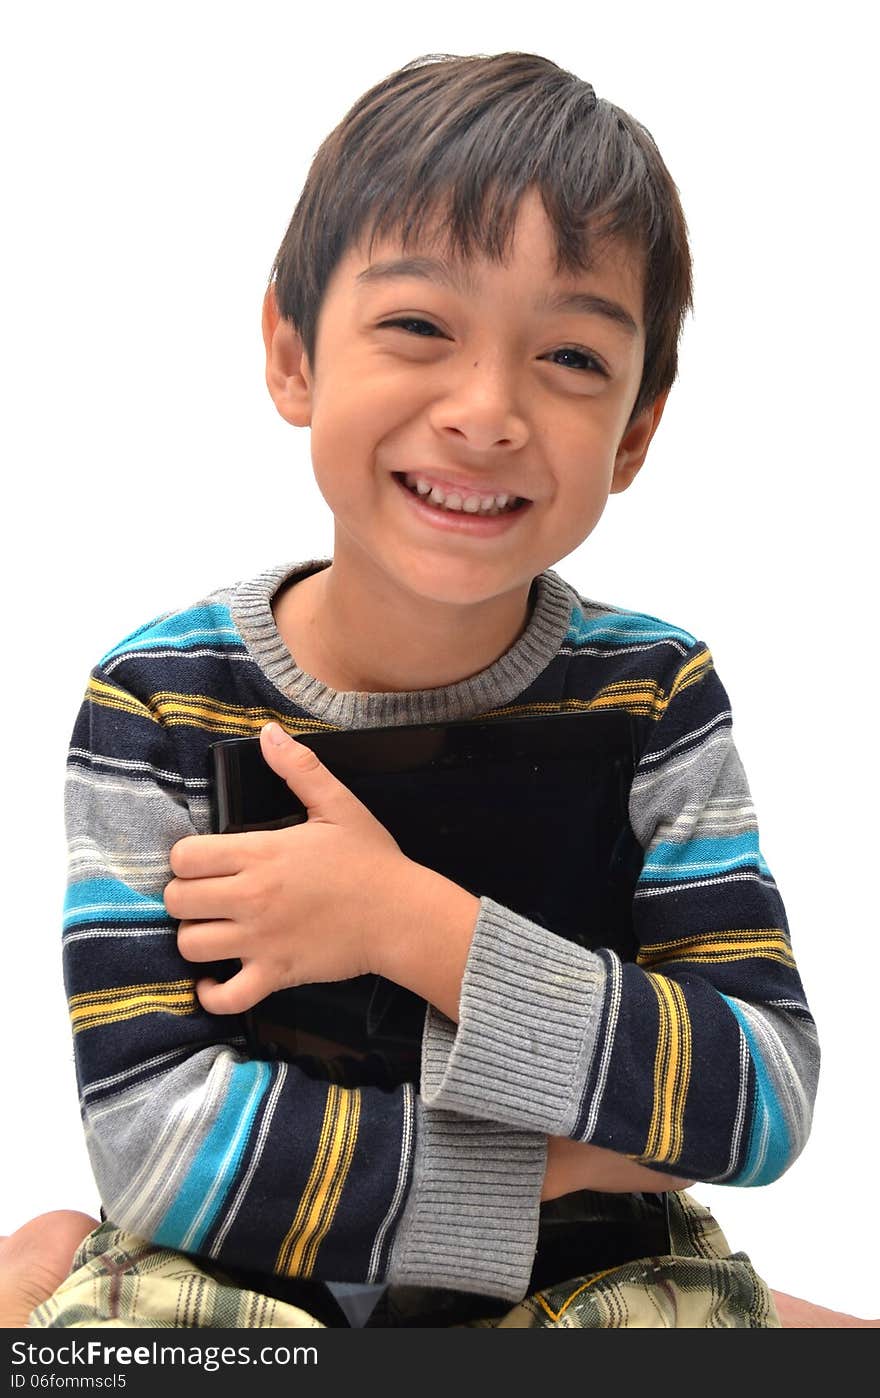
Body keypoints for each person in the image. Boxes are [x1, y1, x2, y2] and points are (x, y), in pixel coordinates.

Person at [26, 51, 832, 1329]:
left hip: (587, 1275)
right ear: (293, 356)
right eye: (418, 327)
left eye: (569, 355)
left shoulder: (653, 693)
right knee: (121, 1338)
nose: (487, 409)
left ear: (632, 434)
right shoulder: (162, 698)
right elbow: (159, 1143)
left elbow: (761, 1097)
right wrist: (586, 1155)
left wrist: (412, 927)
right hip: (240, 1280)